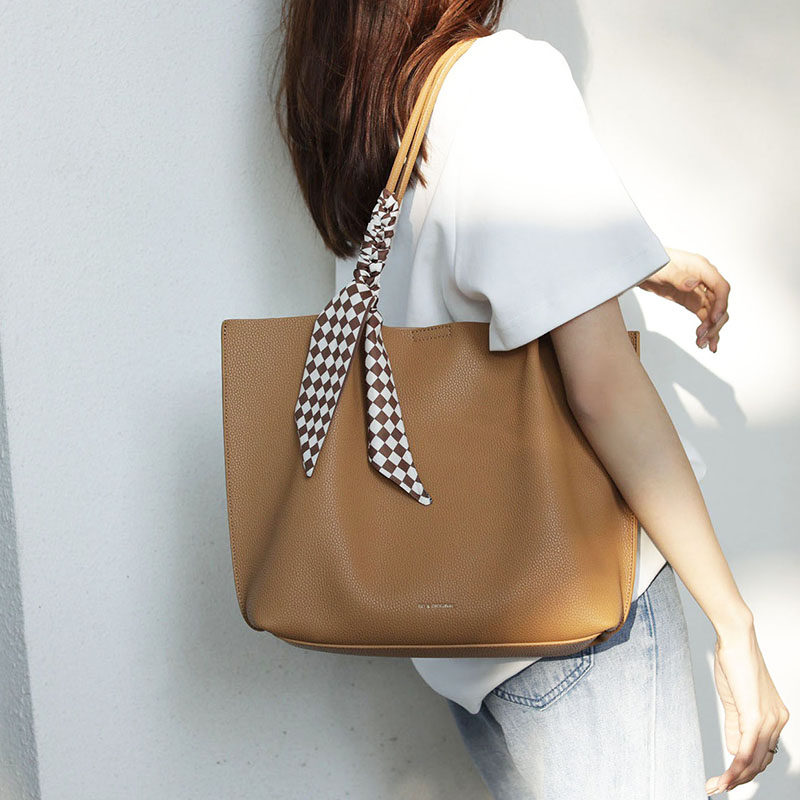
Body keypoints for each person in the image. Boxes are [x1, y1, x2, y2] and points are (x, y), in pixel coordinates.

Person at [272, 2, 789, 797]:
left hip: (463, 636)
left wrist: (635, 262)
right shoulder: (503, 77)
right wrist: (734, 624)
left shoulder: (367, 103)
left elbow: (447, 251)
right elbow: (602, 389)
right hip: (578, 611)